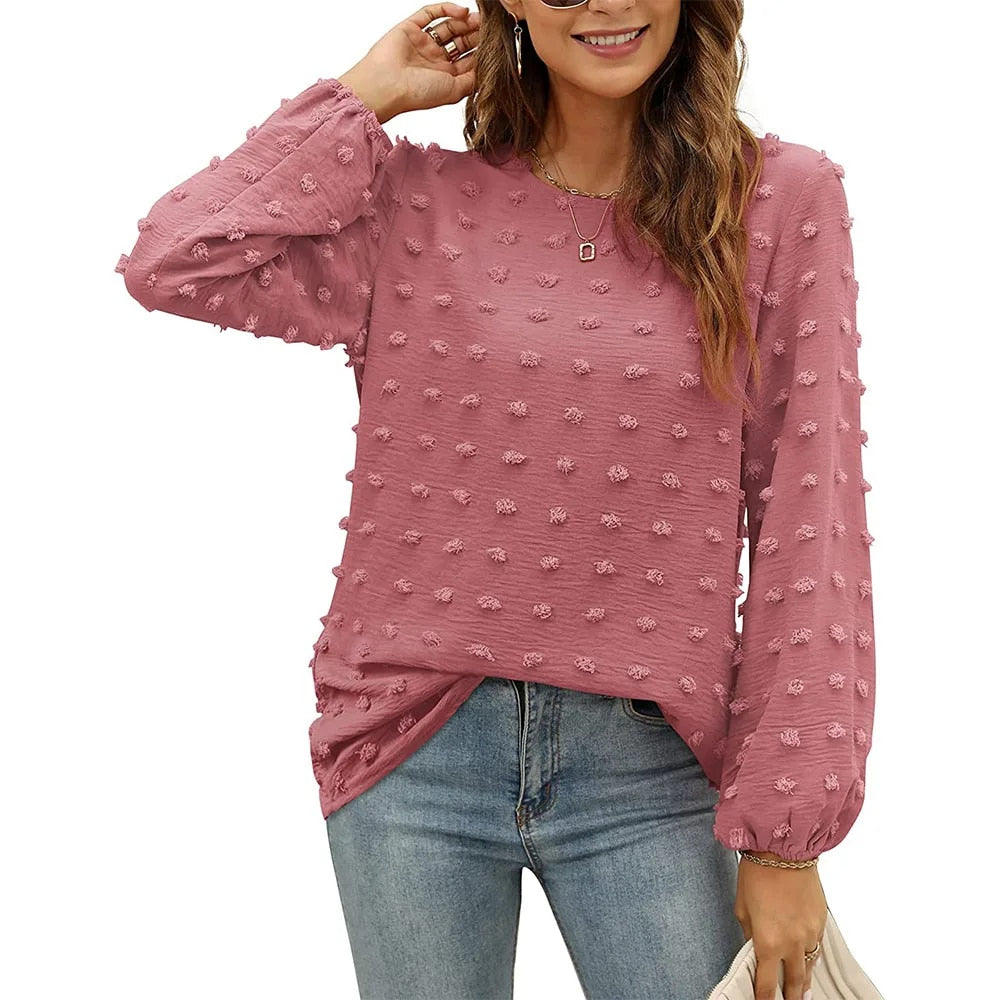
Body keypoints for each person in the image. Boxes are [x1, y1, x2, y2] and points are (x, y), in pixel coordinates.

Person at [114, 2, 876, 998]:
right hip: (410, 749)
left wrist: (786, 838)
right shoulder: (413, 202)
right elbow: (177, 259)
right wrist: (361, 98)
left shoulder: (778, 201)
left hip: (651, 763)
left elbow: (811, 524)